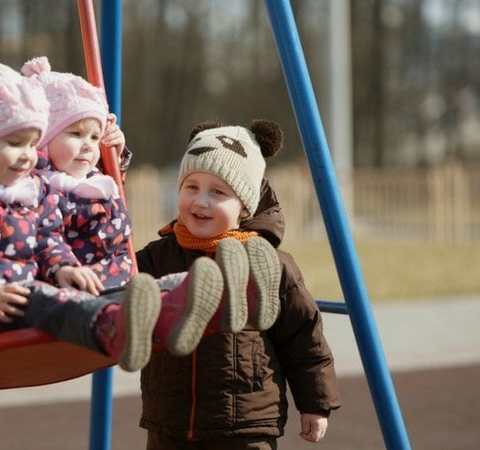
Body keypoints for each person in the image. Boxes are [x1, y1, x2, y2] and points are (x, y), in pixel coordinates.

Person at [0, 39, 241, 373]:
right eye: (15, 143)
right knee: (47, 295)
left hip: (20, 302)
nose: (29, 155)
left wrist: (61, 267)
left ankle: (184, 294)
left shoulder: (17, 191)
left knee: (78, 290)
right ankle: (114, 326)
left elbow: (43, 238)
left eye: (32, 144)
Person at [136, 119, 342, 448]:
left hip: (244, 424)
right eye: (191, 187)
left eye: (217, 192)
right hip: (170, 420)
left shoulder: (269, 263)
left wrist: (315, 404)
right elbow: (120, 287)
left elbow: (302, 340)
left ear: (244, 205)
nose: (200, 201)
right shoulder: (156, 258)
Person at [20, 56, 132, 289]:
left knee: (151, 291)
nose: (89, 145)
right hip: (75, 281)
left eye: (94, 137)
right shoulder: (38, 184)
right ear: (43, 141)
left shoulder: (96, 176)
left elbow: (113, 184)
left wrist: (116, 153)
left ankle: (176, 294)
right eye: (76, 134)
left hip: (117, 272)